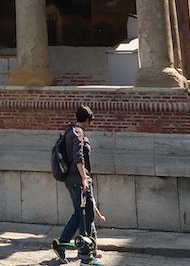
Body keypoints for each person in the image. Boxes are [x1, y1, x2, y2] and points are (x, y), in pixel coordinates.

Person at [52, 104, 105, 265]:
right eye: (91, 121)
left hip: (71, 181)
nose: (91, 125)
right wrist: (84, 179)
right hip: (79, 182)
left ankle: (61, 244)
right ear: (87, 120)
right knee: (86, 218)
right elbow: (78, 158)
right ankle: (85, 256)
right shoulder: (78, 133)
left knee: (78, 215)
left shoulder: (70, 131)